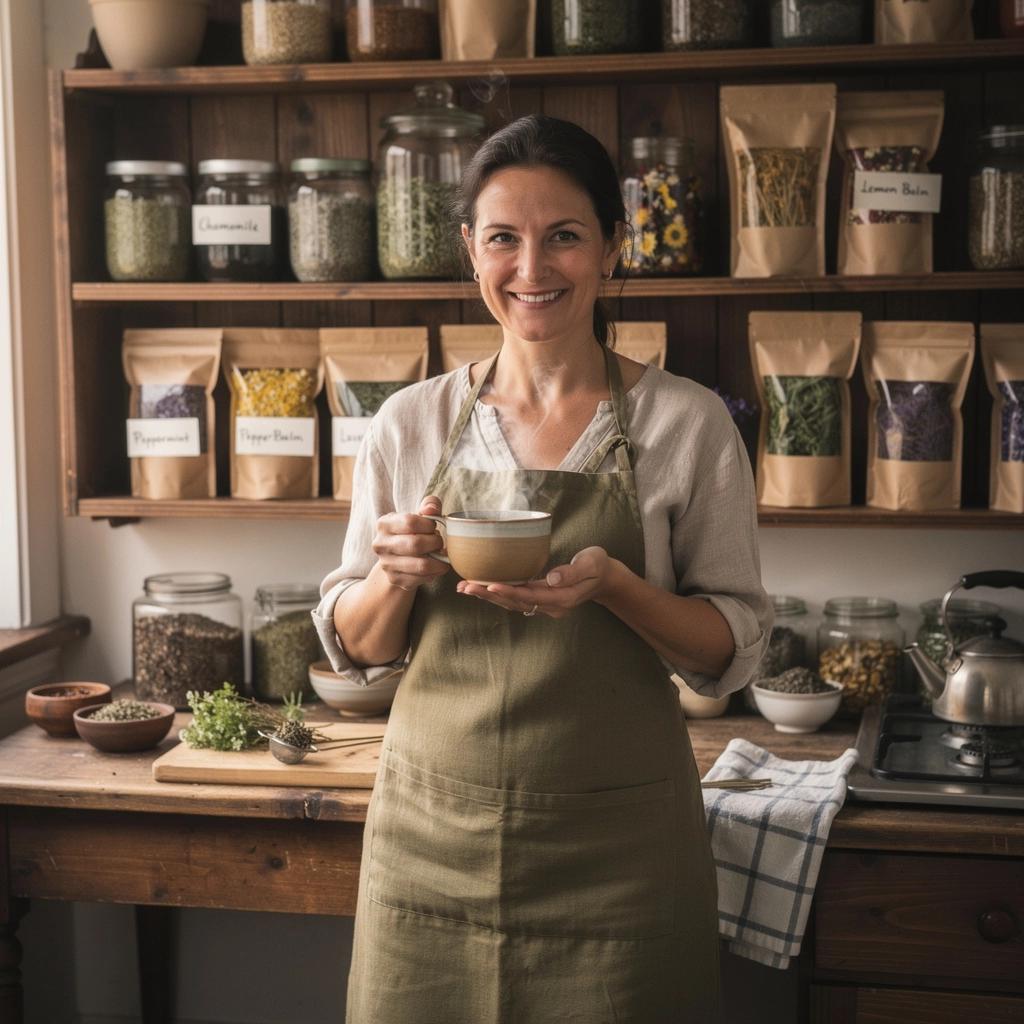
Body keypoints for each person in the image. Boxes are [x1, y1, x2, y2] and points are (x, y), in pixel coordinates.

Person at [313, 114, 772, 1023]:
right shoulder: (408, 423)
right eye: (503, 240)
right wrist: (392, 575)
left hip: (622, 851)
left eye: (564, 236)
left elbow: (728, 651)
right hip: (431, 837)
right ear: (469, 252)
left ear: (612, 246)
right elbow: (353, 653)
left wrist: (617, 587)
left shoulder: (689, 425)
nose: (532, 269)